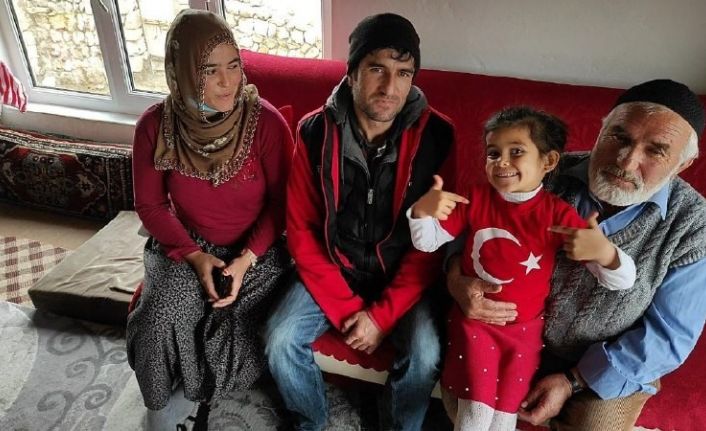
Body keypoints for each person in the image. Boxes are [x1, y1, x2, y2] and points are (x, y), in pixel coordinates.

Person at [447, 79, 706, 430]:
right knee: (466, 406)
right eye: (619, 137)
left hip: (602, 364)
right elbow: (469, 223)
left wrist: (573, 380)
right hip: (507, 335)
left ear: (682, 164)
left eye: (656, 151)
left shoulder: (694, 225)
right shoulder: (543, 172)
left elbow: (669, 337)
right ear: (601, 130)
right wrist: (456, 280)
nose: (627, 161)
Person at [264, 13, 455, 431]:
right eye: (376, 70)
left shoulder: (438, 136)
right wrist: (350, 310)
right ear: (351, 73)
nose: (390, 88)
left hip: (403, 276)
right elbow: (301, 231)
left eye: (403, 73)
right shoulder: (313, 132)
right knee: (279, 339)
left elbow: (434, 243)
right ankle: (311, 421)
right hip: (336, 267)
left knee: (425, 353)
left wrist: (381, 317)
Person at [408, 106, 635, 430]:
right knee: (475, 415)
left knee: (504, 416)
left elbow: (622, 281)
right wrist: (422, 211)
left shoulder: (556, 214)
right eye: (493, 153)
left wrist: (605, 253)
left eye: (516, 152)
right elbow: (427, 243)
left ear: (549, 161)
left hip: (525, 332)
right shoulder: (474, 198)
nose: (501, 162)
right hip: (476, 325)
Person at [126, 9, 293, 430]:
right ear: (181, 72)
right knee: (159, 316)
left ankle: (200, 390)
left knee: (234, 321)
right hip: (187, 244)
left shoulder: (266, 124)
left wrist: (245, 260)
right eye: (209, 70)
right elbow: (151, 207)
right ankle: (160, 406)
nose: (227, 81)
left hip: (256, 251)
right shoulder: (154, 127)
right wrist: (196, 257)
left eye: (234, 66)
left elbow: (281, 205)